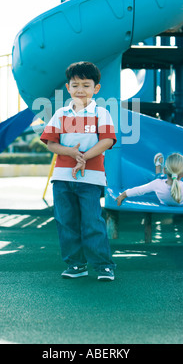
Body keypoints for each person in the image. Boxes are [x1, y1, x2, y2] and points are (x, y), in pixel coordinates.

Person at [40, 61, 117, 281]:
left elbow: (107, 140)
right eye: (75, 85)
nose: (80, 89)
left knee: (92, 221)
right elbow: (51, 143)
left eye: (86, 84)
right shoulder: (60, 114)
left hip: (91, 178)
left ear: (96, 88)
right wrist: (72, 153)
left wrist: (84, 157)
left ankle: (103, 266)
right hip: (62, 177)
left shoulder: (101, 113)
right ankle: (76, 265)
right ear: (68, 88)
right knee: (66, 221)